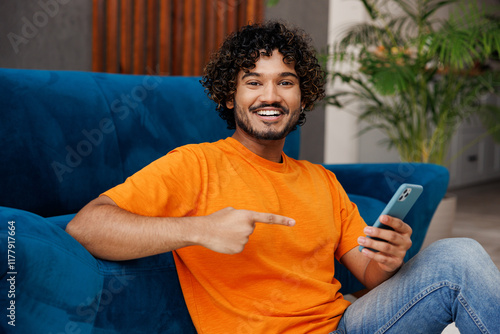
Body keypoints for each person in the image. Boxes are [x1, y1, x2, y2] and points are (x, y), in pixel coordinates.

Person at [66, 21, 500, 333]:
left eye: (285, 82)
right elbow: (86, 225)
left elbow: (369, 276)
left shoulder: (321, 181)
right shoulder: (193, 164)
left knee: (457, 255)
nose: (270, 96)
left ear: (301, 95)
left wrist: (388, 259)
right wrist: (198, 229)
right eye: (253, 82)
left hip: (348, 324)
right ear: (229, 95)